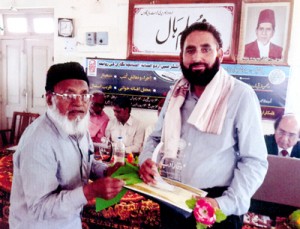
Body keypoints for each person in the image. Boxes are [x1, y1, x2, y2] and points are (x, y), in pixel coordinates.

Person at [139, 22, 268, 229]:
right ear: (181, 57)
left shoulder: (240, 95)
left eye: (206, 49)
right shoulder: (176, 92)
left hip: (216, 207)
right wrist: (145, 161)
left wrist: (223, 204)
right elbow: (156, 138)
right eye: (190, 50)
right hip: (172, 201)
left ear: (220, 54)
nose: (197, 58)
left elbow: (254, 161)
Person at [9, 62, 124, 229]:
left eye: (84, 95)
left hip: (69, 222)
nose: (78, 103)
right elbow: (40, 209)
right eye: (69, 95)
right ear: (50, 99)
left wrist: (105, 171)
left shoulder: (78, 126)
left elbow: (86, 162)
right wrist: (90, 192)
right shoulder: (38, 142)